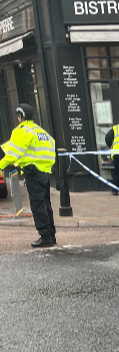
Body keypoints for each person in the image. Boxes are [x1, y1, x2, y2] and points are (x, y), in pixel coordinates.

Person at [0, 104, 57, 247]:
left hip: (33, 173)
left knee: (38, 205)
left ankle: (45, 237)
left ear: (20, 116)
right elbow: (51, 151)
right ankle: (51, 234)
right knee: (46, 204)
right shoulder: (41, 131)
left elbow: (13, 154)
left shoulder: (22, 131)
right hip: (45, 172)